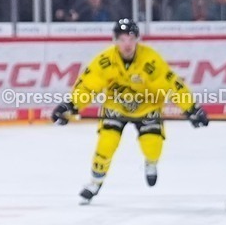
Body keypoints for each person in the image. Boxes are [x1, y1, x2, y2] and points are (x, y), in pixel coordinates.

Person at [51, 19, 209, 204]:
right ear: (115, 40)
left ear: (137, 40)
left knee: (152, 145)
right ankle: (95, 183)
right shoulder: (105, 61)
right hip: (115, 107)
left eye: (131, 39)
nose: (127, 44)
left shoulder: (150, 60)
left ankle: (151, 162)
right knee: (106, 144)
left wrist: (191, 108)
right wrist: (70, 105)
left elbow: (172, 85)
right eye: (122, 39)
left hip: (147, 106)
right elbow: (87, 86)